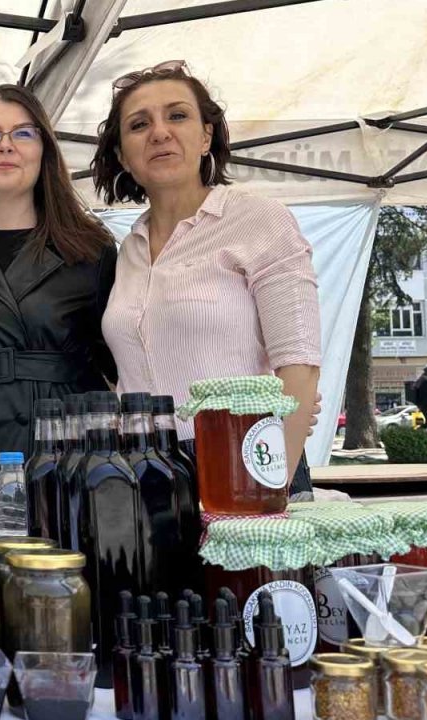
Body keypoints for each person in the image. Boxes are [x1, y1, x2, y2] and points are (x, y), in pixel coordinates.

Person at [92, 60, 321, 490]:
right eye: (139, 124)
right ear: (123, 155)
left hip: (246, 456)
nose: (160, 132)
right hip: (145, 468)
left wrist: (268, 486)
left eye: (177, 115)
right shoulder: (127, 250)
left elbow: (300, 366)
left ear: (205, 136)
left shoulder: (258, 220)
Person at [0, 85, 119, 530]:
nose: (6, 145)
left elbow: (122, 361)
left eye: (23, 133)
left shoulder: (93, 253)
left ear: (45, 153)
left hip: (67, 455)